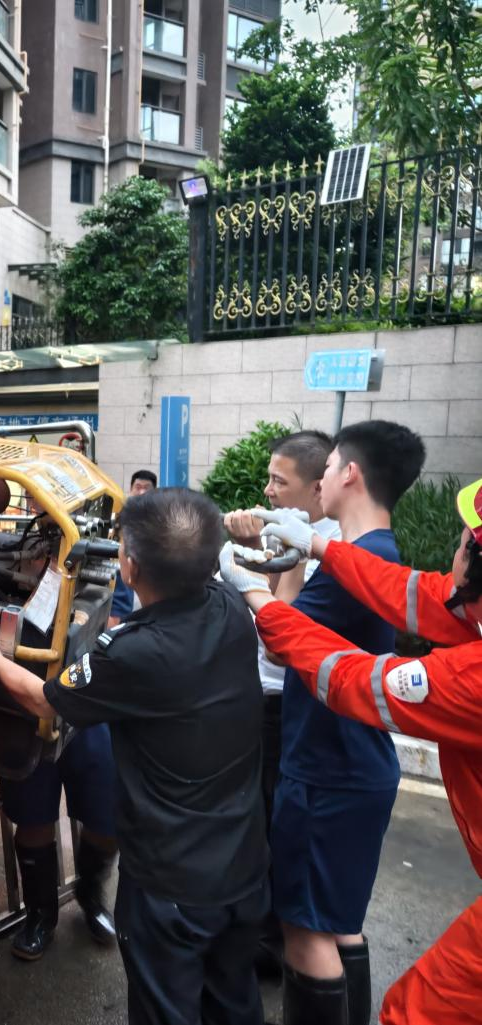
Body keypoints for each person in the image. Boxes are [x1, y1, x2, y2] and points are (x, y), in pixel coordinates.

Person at [0, 488, 267, 1025]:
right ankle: (49, 910)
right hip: (242, 866)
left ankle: (90, 897)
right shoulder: (230, 607)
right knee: (232, 1000)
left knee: (166, 1009)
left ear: (129, 566)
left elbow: (42, 698)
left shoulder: (134, 653)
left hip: (171, 883)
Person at [217, 472, 482, 1025]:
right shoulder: (463, 606)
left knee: (413, 1010)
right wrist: (317, 545)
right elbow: (413, 594)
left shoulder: (470, 678)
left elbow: (352, 678)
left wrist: (256, 594)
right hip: (352, 771)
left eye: (464, 543)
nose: (455, 551)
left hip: (326, 771)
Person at [243, 421, 423, 1025]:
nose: (319, 479)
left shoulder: (360, 562)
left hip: (326, 769)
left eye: (327, 467)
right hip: (352, 761)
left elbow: (281, 638)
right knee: (339, 925)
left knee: (306, 934)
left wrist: (245, 575)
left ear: (350, 473)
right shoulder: (374, 555)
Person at [222, 430, 341, 972]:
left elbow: (280, 637)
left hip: (284, 704)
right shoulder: (293, 532)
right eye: (268, 479)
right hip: (262, 699)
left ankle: (270, 943)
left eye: (279, 481)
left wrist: (271, 564)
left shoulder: (326, 551)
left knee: (272, 824)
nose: (267, 492)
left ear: (318, 488)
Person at [0, 724, 119, 961]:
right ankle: (40, 915)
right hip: (27, 718)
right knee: (33, 817)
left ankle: (90, 892)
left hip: (92, 714)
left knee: (108, 813)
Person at [108, 470, 155, 626]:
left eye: (146, 488)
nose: (141, 492)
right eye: (138, 487)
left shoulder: (158, 517)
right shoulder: (120, 513)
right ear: (130, 488)